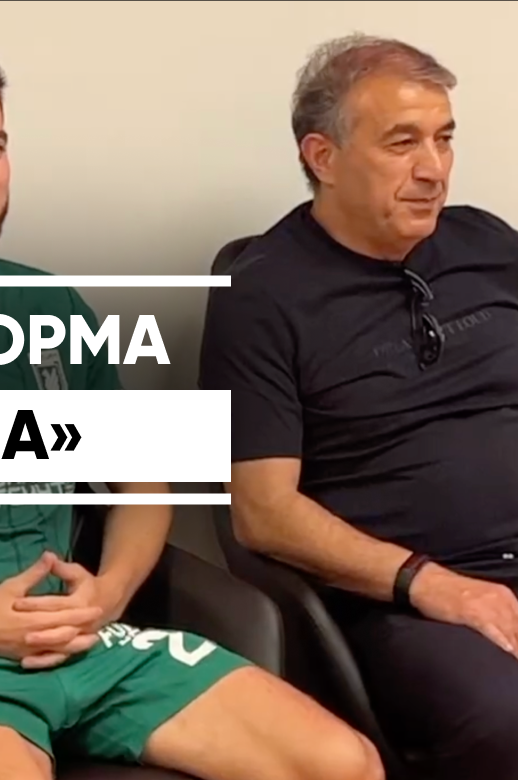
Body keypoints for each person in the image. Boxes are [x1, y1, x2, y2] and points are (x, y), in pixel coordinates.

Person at [0, 51, 384, 780]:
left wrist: (107, 595)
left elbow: (143, 488)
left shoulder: (50, 304)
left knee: (345, 764)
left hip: (87, 641)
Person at [198, 33, 518, 780]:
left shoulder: (487, 243)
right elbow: (262, 513)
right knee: (508, 720)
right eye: (402, 143)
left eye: (443, 139)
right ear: (323, 157)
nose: (433, 169)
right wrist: (432, 584)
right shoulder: (262, 295)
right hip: (409, 600)